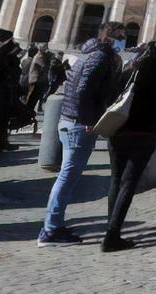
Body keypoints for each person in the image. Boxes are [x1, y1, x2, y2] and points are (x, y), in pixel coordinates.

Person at [37, 23, 126, 247]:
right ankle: (50, 230)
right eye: (121, 36)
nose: (124, 40)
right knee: (67, 178)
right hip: (78, 124)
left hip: (70, 120)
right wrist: (88, 119)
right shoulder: (99, 58)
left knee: (67, 177)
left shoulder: (88, 55)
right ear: (110, 38)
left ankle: (53, 225)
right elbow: (83, 89)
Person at [102, 39, 156, 251]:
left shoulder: (131, 69)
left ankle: (112, 227)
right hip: (146, 133)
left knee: (116, 179)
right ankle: (113, 233)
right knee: (129, 183)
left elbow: (110, 96)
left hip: (119, 130)